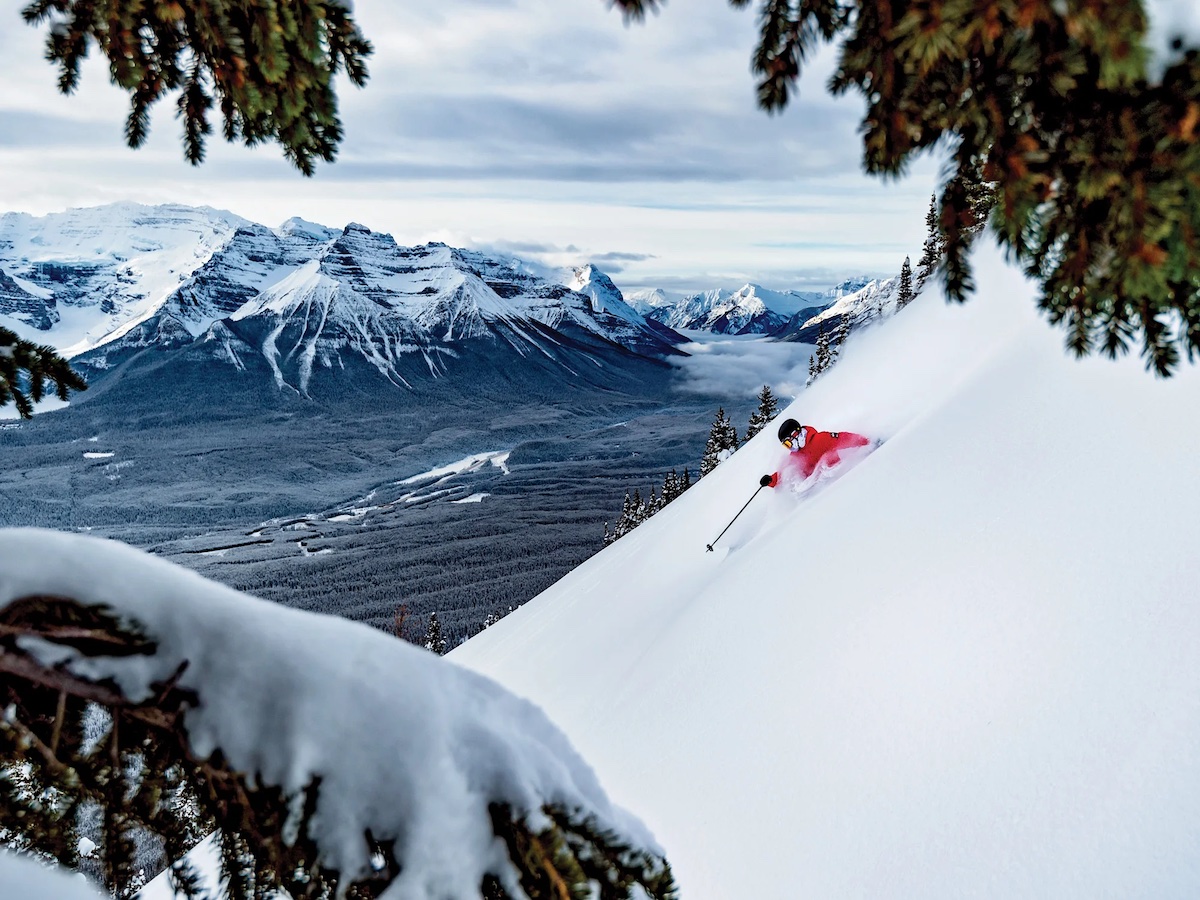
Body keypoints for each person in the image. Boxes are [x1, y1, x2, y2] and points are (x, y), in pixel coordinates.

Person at [759, 418, 871, 488]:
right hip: (815, 490)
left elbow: (843, 438)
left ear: (796, 435)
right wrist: (770, 480)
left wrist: (866, 441)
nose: (790, 447)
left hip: (839, 480)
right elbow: (785, 474)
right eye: (786, 445)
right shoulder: (795, 456)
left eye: (788, 443)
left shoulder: (820, 439)